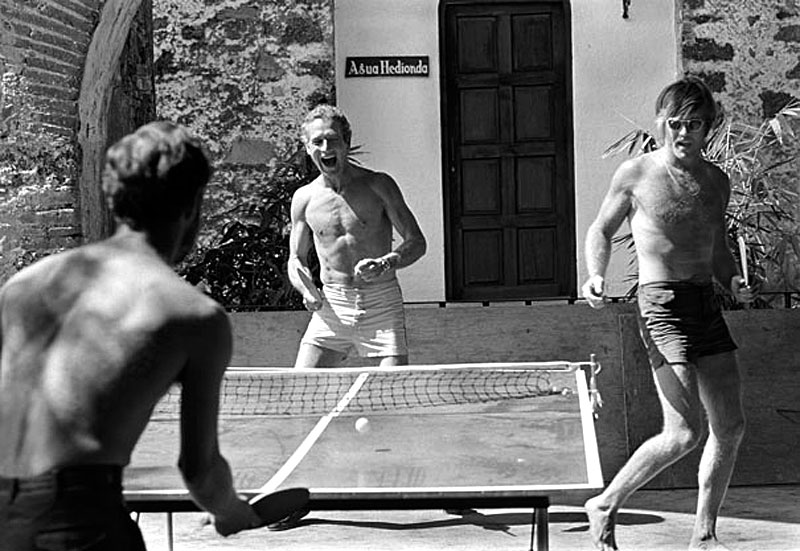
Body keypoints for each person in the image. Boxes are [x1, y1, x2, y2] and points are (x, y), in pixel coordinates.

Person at [0, 121, 263, 550]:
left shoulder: (24, 286)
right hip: (80, 526)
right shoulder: (193, 315)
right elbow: (200, 471)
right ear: (191, 207)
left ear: (114, 199)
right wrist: (232, 512)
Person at [581, 77, 756, 551]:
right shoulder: (636, 174)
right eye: (674, 124)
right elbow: (600, 229)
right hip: (660, 306)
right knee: (683, 433)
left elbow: (717, 248)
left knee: (730, 426)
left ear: (708, 128)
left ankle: (704, 534)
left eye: (693, 125)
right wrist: (595, 275)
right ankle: (605, 502)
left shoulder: (717, 181)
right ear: (661, 124)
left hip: (705, 302)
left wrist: (733, 279)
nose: (682, 134)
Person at [288, 104, 427, 367]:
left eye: (332, 140)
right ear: (308, 148)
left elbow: (417, 241)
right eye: (318, 142)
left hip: (381, 302)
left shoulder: (378, 185)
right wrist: (305, 290)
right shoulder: (304, 198)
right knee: (301, 387)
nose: (326, 149)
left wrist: (386, 262)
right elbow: (296, 259)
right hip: (332, 307)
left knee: (393, 394)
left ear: (346, 142)